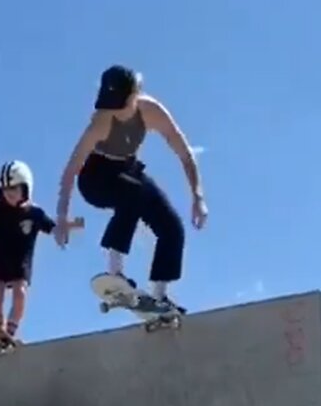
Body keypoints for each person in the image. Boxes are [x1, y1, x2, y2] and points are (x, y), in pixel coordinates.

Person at [53, 65, 208, 316]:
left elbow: (184, 152)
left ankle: (160, 297)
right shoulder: (100, 122)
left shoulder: (152, 112)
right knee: (133, 194)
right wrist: (61, 216)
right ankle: (115, 273)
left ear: (135, 95)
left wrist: (197, 196)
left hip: (129, 172)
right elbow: (71, 170)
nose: (114, 112)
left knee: (172, 227)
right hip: (95, 180)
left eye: (120, 106)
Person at [0, 160, 83, 340]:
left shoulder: (34, 213)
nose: (9, 194)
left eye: (14, 189)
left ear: (25, 188)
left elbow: (53, 228)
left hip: (21, 261)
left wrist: (67, 230)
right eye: (5, 191)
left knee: (20, 292)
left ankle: (11, 330)